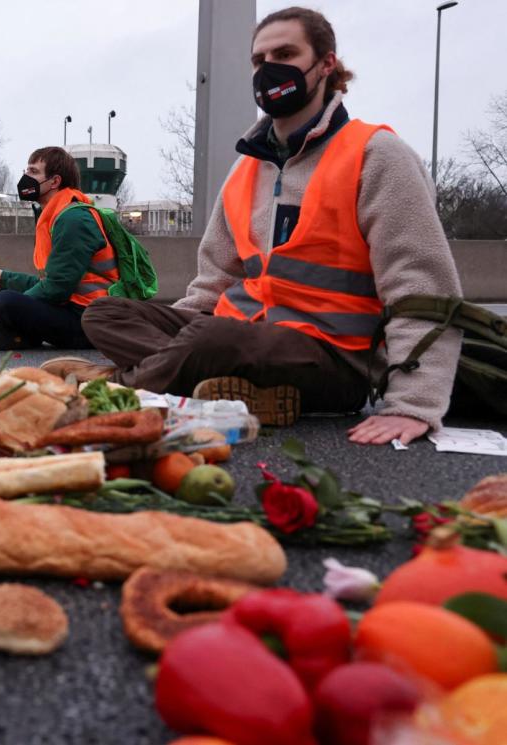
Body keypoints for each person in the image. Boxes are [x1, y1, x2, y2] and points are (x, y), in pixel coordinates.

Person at [44, 6, 461, 446]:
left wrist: (413, 405)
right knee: (105, 312)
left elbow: (421, 285)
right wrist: (180, 337)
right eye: (259, 61)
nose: (268, 69)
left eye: (284, 53)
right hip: (236, 334)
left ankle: (116, 387)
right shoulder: (246, 170)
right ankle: (227, 391)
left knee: (209, 339)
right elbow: (213, 281)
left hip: (333, 356)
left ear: (326, 64)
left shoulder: (376, 155)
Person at [0, 147, 120, 350]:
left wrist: (16, 305)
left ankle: (19, 334)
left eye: (33, 172)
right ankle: (19, 334)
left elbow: (57, 289)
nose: (26, 177)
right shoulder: (58, 215)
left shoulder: (74, 220)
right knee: (3, 296)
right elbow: (52, 282)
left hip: (91, 321)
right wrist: (6, 278)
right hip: (75, 309)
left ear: (54, 181)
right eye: (26, 171)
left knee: (4, 302)